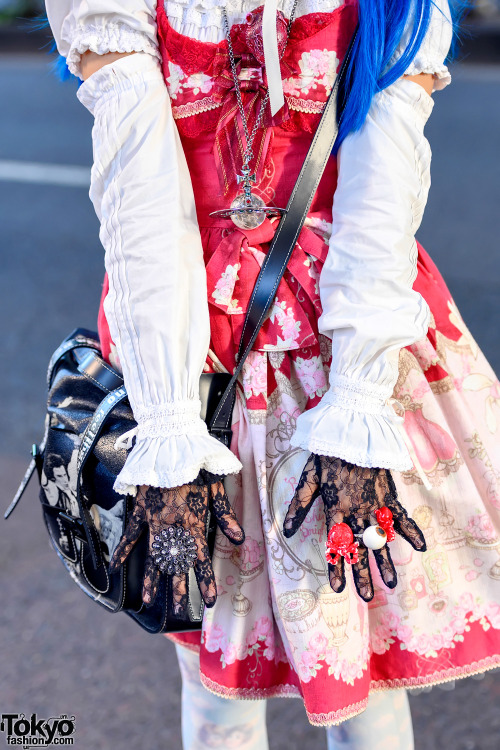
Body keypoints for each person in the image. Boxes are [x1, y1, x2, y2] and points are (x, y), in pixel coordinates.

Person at [44, 0, 500, 747]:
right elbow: (140, 198)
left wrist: (358, 395)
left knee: (363, 663)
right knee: (215, 673)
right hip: (194, 357)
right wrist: (168, 427)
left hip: (346, 343)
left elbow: (382, 196)